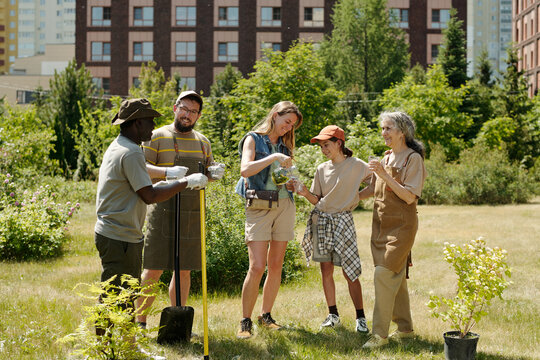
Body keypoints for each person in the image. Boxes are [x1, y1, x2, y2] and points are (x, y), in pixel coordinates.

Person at [94, 98, 208, 351]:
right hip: (118, 235)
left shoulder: (121, 146)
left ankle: (125, 346)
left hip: (120, 233)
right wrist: (185, 182)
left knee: (123, 296)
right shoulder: (131, 151)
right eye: (149, 121)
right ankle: (104, 349)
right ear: (136, 123)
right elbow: (149, 196)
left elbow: (141, 186)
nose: (153, 126)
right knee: (115, 296)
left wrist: (168, 176)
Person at [135, 91, 224, 329]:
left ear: (198, 116)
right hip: (161, 209)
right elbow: (140, 166)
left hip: (192, 211)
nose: (188, 115)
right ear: (175, 108)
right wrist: (166, 173)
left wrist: (213, 175)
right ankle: (140, 323)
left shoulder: (203, 142)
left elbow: (206, 173)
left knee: (184, 270)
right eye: (184, 108)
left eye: (193, 111)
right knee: (153, 268)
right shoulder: (156, 136)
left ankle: (177, 323)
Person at [234, 101, 303, 339]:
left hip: (285, 205)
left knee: (275, 266)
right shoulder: (253, 139)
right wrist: (273, 156)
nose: (288, 128)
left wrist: (292, 182)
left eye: (292, 125)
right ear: (275, 115)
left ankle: (266, 316)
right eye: (286, 122)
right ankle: (245, 321)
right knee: (256, 266)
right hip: (260, 205)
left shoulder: (287, 144)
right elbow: (245, 170)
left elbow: (286, 175)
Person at [359, 111, 427, 348]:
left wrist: (384, 174)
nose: (384, 133)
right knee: (395, 275)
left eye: (388, 128)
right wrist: (346, 200)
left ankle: (380, 335)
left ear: (402, 131)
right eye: (383, 128)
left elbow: (409, 196)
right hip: (380, 225)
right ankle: (405, 328)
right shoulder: (386, 157)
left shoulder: (413, 160)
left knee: (383, 273)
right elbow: (370, 190)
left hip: (402, 226)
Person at [294, 125, 371, 333]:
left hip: (343, 221)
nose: (323, 149)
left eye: (326, 144)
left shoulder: (357, 165)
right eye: (321, 146)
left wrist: (357, 197)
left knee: (350, 272)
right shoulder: (321, 169)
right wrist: (302, 192)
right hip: (322, 220)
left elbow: (376, 181)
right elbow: (316, 199)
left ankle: (361, 318)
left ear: (339, 143)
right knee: (326, 270)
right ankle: (333, 314)